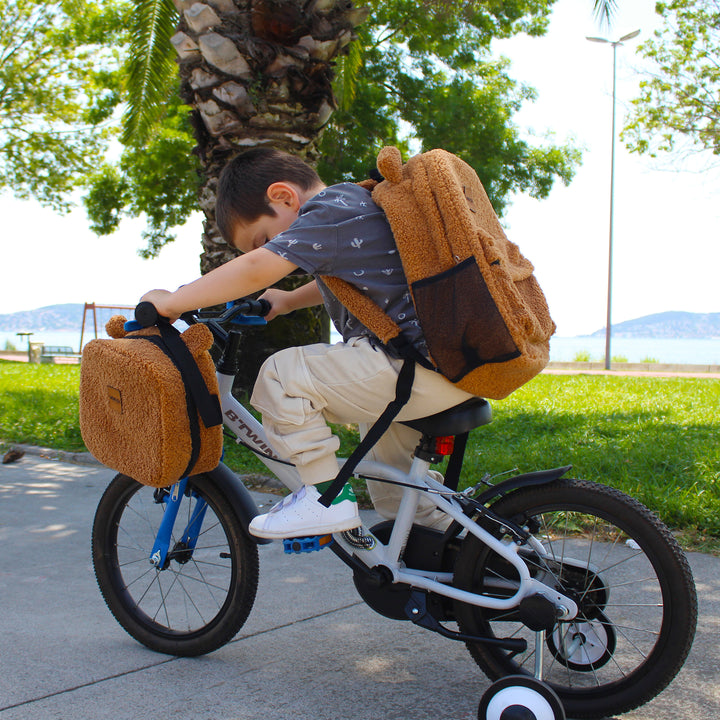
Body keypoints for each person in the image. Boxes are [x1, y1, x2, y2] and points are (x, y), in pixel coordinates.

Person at [141, 146, 474, 540]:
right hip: (446, 366)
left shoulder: (329, 208)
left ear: (284, 197)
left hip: (414, 365)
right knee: (400, 499)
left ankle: (324, 498)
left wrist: (172, 301)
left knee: (281, 376)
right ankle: (468, 554)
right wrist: (285, 301)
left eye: (263, 238)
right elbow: (350, 279)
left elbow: (255, 269)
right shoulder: (356, 206)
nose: (269, 249)